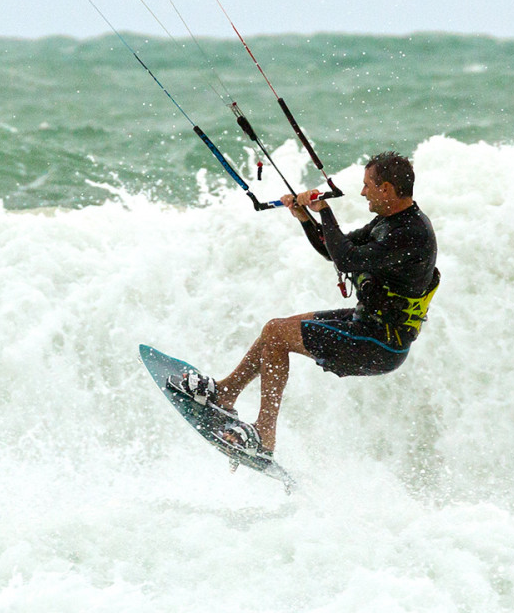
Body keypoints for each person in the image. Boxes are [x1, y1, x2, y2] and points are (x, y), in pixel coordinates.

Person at [174, 151, 439, 457]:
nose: (363, 191)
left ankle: (264, 434)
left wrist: (324, 209)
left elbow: (348, 259)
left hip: (380, 345)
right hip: (368, 325)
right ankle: (226, 392)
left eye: (368, 185)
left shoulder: (410, 233)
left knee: (277, 335)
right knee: (274, 329)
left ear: (387, 189)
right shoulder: (389, 221)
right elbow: (334, 250)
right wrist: (305, 217)